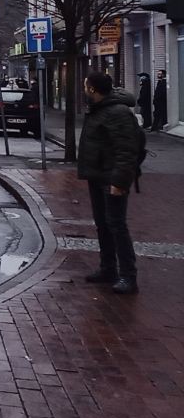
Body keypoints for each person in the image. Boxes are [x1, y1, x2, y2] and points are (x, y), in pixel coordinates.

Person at [77, 72, 140, 294]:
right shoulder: (98, 110)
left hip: (112, 178)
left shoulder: (117, 113)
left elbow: (126, 150)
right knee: (103, 224)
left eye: (86, 86)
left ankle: (128, 276)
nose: (84, 90)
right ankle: (108, 269)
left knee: (117, 226)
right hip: (97, 175)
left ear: (92, 89)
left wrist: (120, 181)